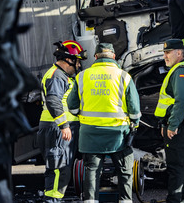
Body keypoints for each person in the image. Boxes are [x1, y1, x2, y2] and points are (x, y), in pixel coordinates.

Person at [67, 43, 141, 203]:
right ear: (114, 57)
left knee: (92, 172)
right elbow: (134, 109)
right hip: (118, 135)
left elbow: (72, 107)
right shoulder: (123, 76)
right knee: (125, 172)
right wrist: (134, 123)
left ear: (95, 57)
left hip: (90, 135)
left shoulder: (82, 76)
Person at [37, 40, 87, 202]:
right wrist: (63, 125)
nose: (78, 65)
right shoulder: (56, 76)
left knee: (62, 167)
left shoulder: (62, 75)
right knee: (59, 168)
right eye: (77, 61)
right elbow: (53, 101)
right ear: (68, 59)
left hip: (61, 128)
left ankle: (54, 199)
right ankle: (52, 201)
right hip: (58, 129)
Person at [154, 39, 184, 203]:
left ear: (179, 52)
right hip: (180, 123)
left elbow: (181, 101)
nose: (165, 56)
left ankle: (175, 199)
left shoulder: (181, 71)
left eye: (168, 52)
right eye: (165, 52)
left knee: (175, 165)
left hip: (179, 125)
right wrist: (165, 124)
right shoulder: (179, 70)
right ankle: (183, 197)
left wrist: (172, 125)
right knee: (181, 163)